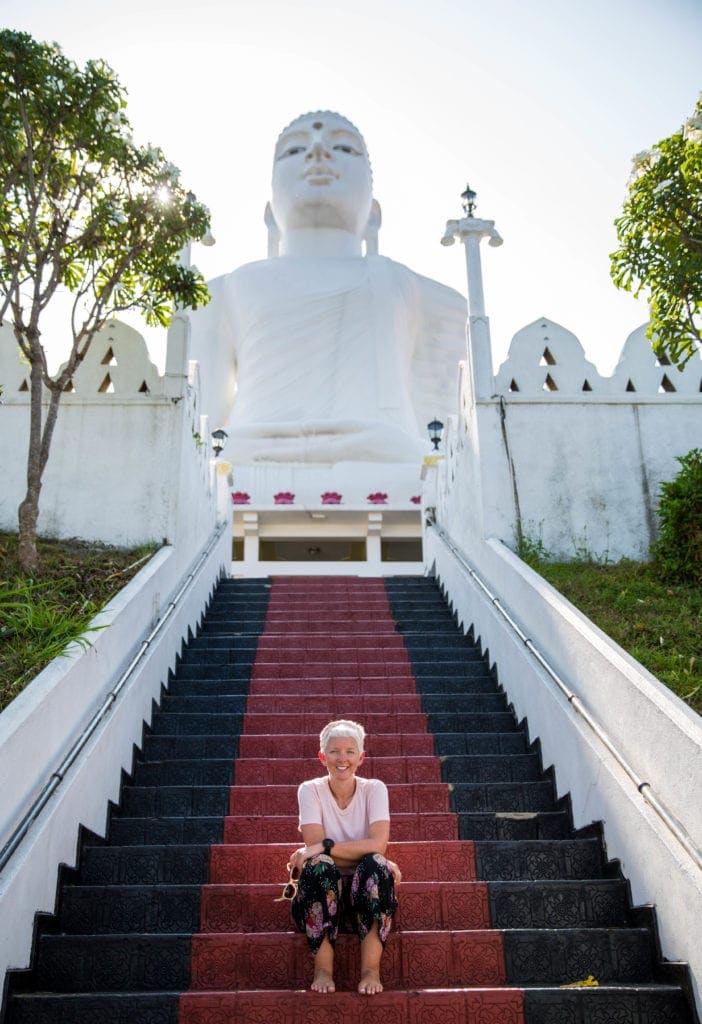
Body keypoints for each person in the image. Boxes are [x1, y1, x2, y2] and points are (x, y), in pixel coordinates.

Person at [189, 111, 466, 464]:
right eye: (294, 150)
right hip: (253, 454)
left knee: (407, 451)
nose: (318, 152)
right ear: (270, 214)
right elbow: (199, 427)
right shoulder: (224, 291)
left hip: (383, 458)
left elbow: (442, 429)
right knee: (224, 454)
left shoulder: (415, 291)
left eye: (343, 148)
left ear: (375, 215)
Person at [285, 719, 401, 995]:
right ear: (322, 757)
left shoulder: (375, 789)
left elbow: (378, 845)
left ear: (360, 758)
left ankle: (370, 971)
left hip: (365, 892)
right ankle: (323, 970)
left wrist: (323, 847)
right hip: (323, 894)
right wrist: (363, 851)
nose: (342, 758)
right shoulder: (309, 789)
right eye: (334, 751)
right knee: (320, 868)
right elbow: (316, 852)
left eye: (350, 751)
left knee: (375, 865)